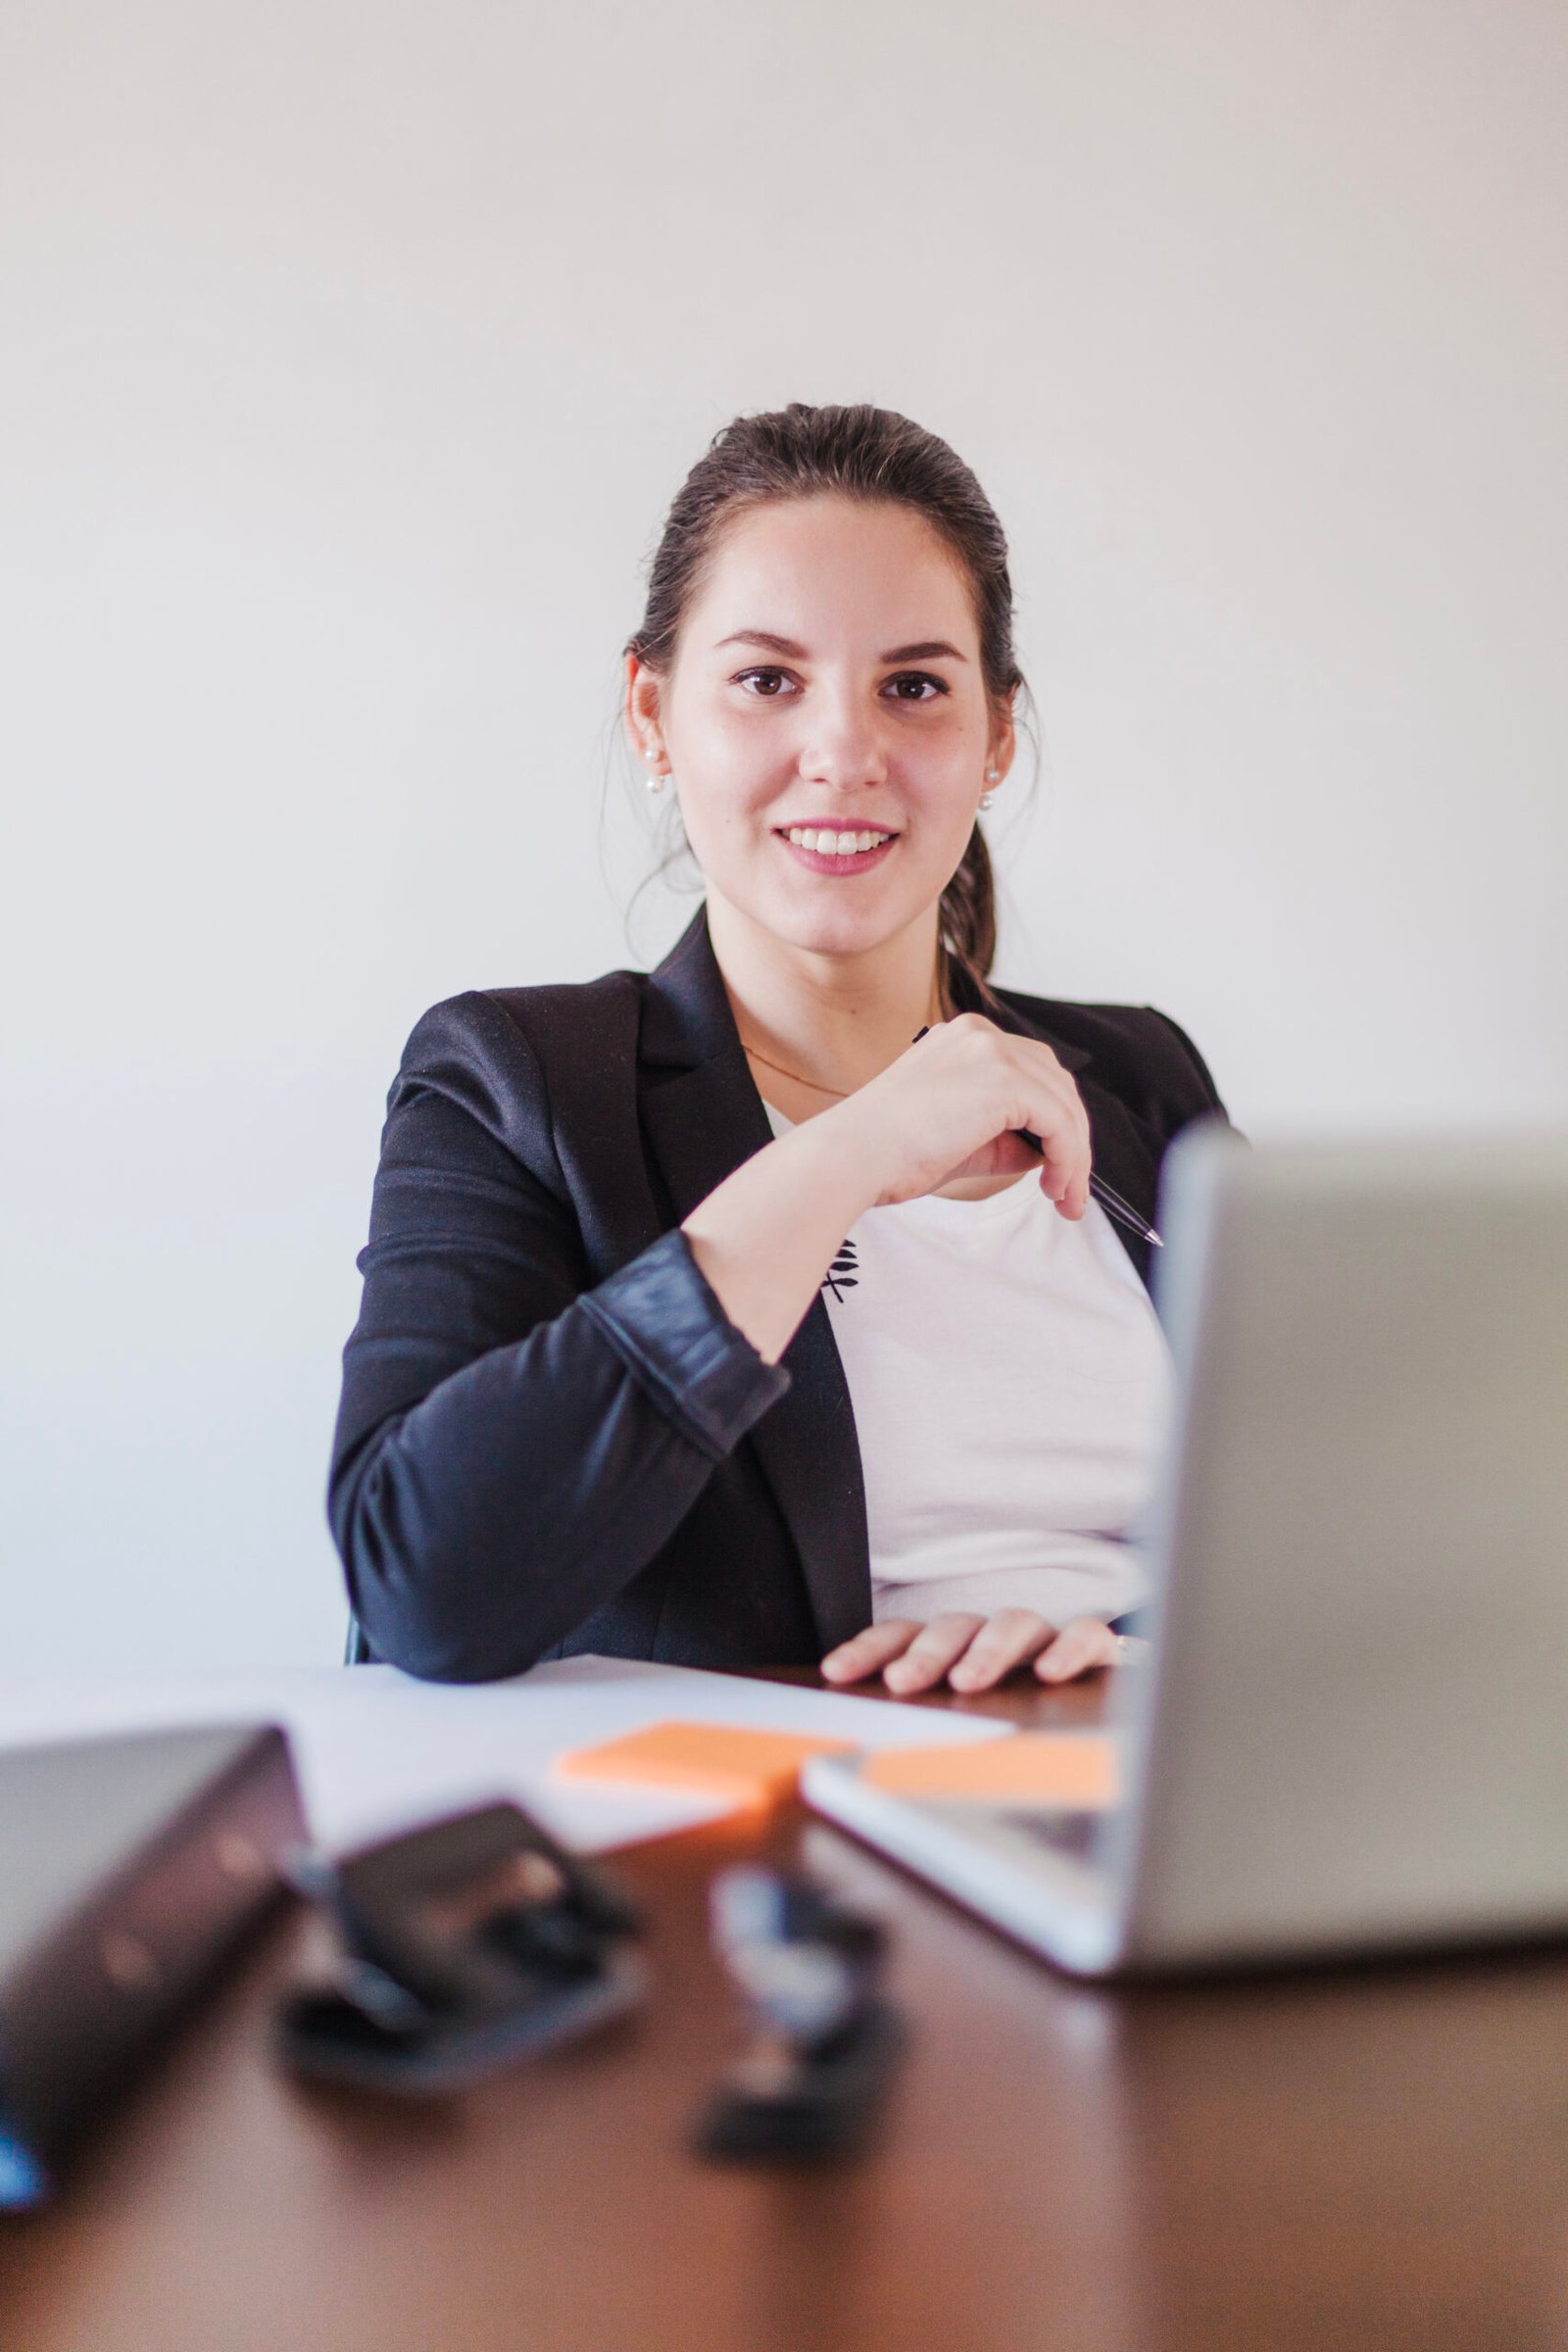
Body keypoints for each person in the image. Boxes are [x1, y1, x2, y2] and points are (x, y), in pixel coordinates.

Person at [329, 403, 1228, 1695]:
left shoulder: (1142, 1080)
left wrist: (1125, 1659)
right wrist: (848, 1153)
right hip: (765, 1819)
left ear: (996, 736)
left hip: (1147, 1800)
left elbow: (1334, 1541)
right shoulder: (520, 1082)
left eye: (913, 686)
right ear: (652, 713)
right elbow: (423, 1581)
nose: (845, 754)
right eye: (767, 680)